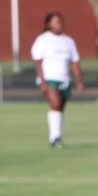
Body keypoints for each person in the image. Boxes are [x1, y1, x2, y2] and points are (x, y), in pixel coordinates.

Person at [31, 12, 85, 148]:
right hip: (50, 78)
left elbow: (74, 62)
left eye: (60, 21)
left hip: (64, 79)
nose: (59, 24)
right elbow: (38, 62)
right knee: (55, 104)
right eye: (56, 21)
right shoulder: (43, 40)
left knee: (60, 108)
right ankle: (54, 138)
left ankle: (58, 137)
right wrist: (42, 81)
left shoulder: (68, 41)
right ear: (49, 24)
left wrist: (79, 81)